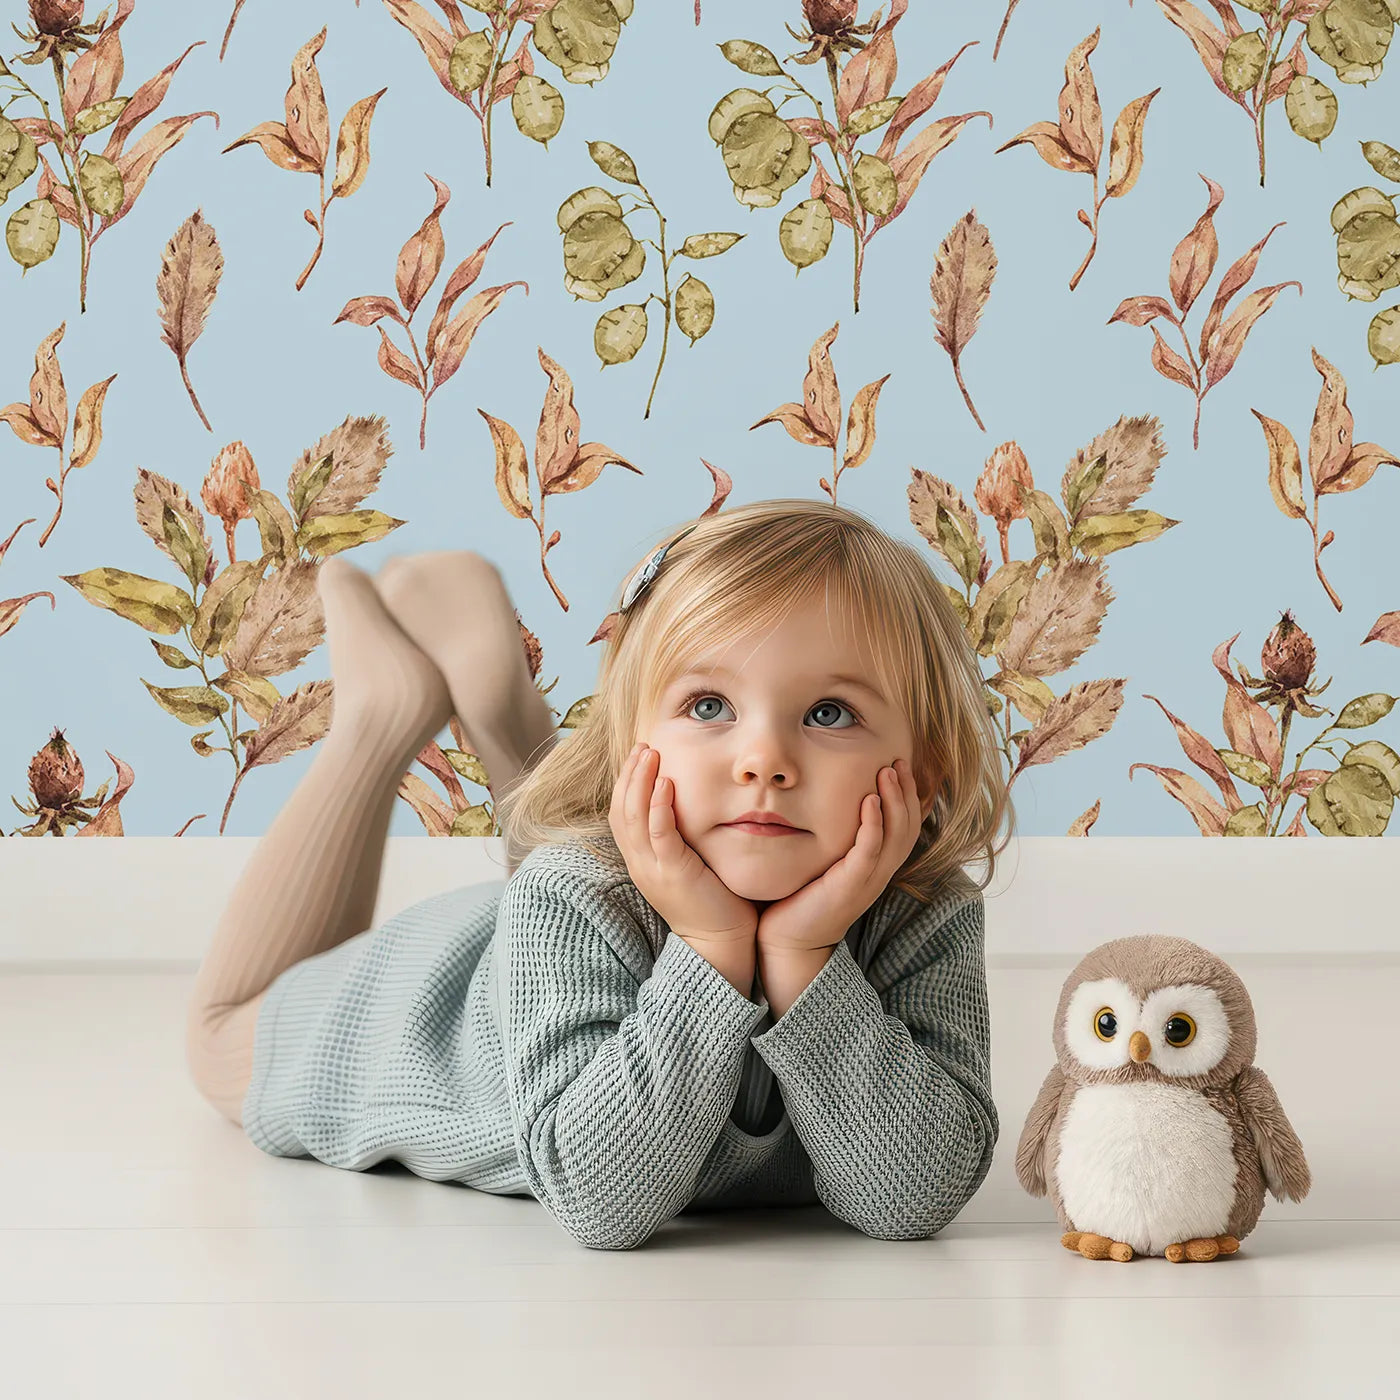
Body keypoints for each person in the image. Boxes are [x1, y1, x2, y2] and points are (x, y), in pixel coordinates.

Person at [185, 498, 1014, 1250]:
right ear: (627, 743)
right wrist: (712, 945)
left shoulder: (924, 908)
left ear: (923, 774)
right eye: (710, 706)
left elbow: (914, 1197)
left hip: (577, 930)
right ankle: (378, 714)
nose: (763, 760)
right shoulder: (568, 893)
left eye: (829, 713)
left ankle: (499, 702)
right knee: (218, 1038)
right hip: (425, 1011)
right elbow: (599, 1201)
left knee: (589, 863)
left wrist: (806, 957)